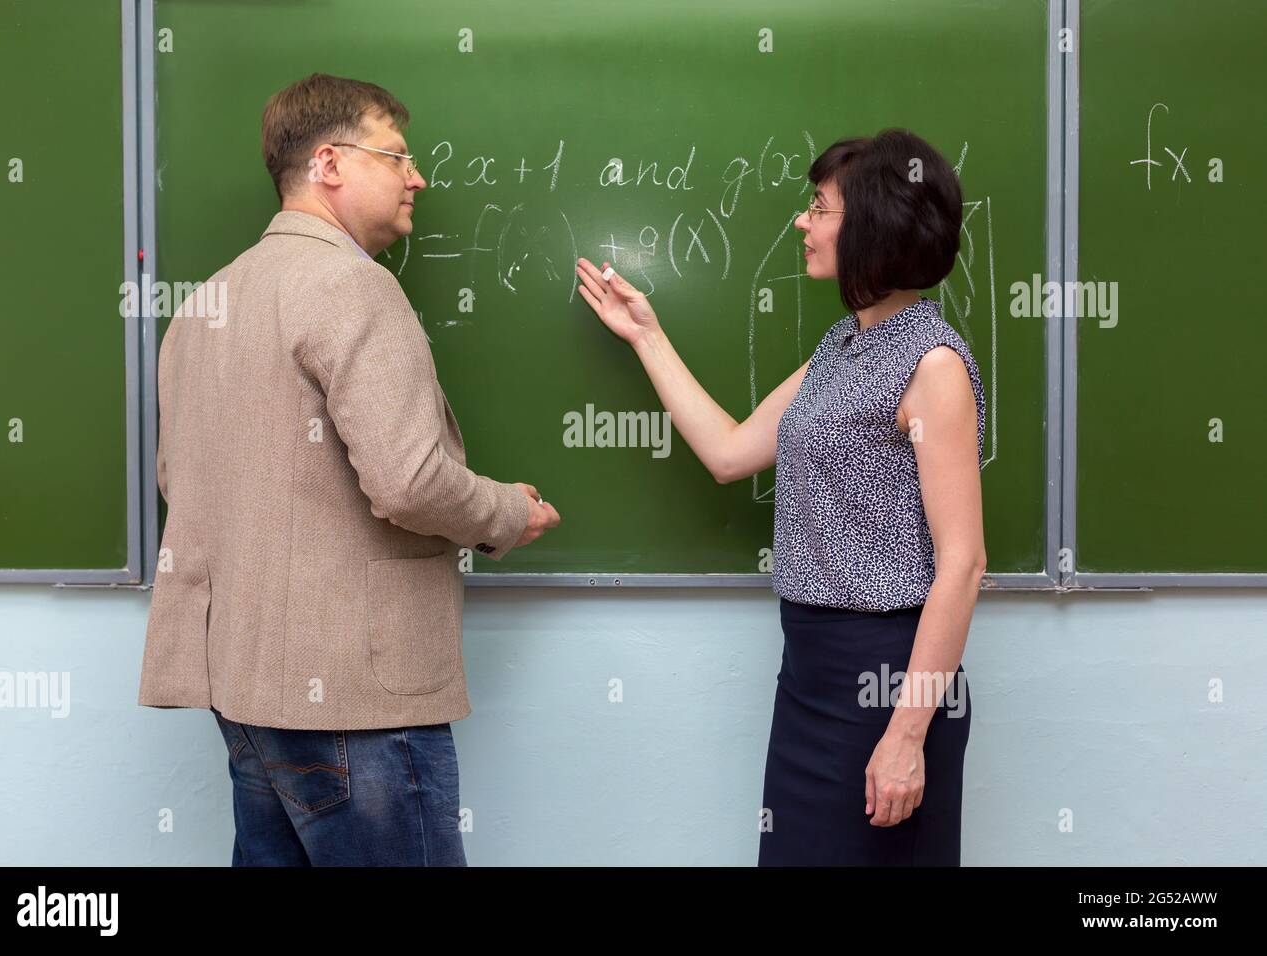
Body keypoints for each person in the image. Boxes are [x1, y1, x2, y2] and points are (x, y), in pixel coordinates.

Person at [138, 73, 560, 866]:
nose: (417, 178)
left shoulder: (204, 306)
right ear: (329, 164)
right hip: (354, 699)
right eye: (396, 156)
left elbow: (179, 483)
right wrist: (509, 513)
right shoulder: (355, 288)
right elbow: (408, 482)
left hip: (243, 683)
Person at [575, 128, 985, 865]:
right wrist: (646, 336)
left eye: (819, 208)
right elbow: (731, 452)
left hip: (885, 682)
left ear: (872, 227)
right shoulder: (841, 347)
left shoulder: (932, 365)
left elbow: (962, 564)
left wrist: (905, 735)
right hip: (810, 676)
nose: (803, 222)